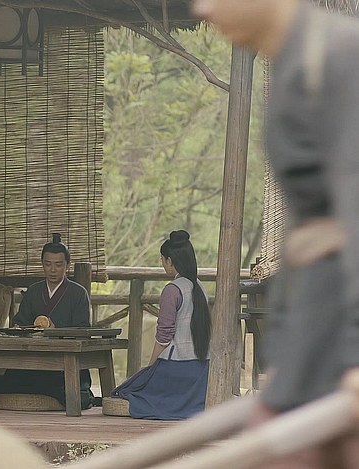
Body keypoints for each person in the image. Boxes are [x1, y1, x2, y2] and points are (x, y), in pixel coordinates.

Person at [191, 0, 359, 465]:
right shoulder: (289, 66)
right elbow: (305, 235)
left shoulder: (339, 58)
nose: (203, 9)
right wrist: (285, 356)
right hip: (312, 343)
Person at [0, 233, 96, 409]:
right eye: (48, 264)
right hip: (34, 362)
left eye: (58, 265)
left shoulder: (78, 293)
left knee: (67, 389)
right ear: (42, 264)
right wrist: (23, 330)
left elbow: (83, 331)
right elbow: (20, 323)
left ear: (67, 266)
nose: (53, 270)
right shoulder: (34, 291)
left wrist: (55, 330)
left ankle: (67, 392)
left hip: (64, 364)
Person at [111, 230, 211, 420]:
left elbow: (164, 337)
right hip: (202, 369)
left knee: (127, 390)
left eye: (163, 260)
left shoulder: (172, 290)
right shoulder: (201, 287)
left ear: (170, 261)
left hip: (176, 369)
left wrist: (151, 367)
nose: (163, 264)